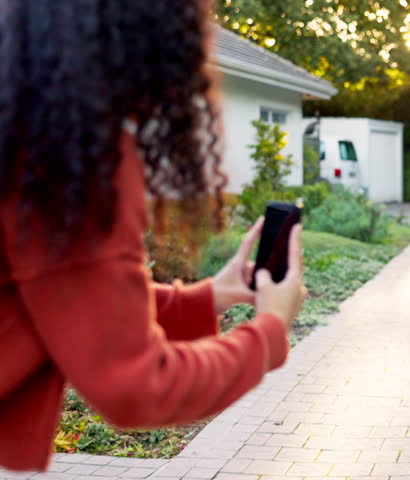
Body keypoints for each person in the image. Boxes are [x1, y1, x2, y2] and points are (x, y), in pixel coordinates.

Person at [0, 0, 307, 471]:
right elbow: (137, 385)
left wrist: (209, 297)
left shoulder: (23, 133)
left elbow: (75, 297)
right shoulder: (73, 165)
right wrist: (269, 331)